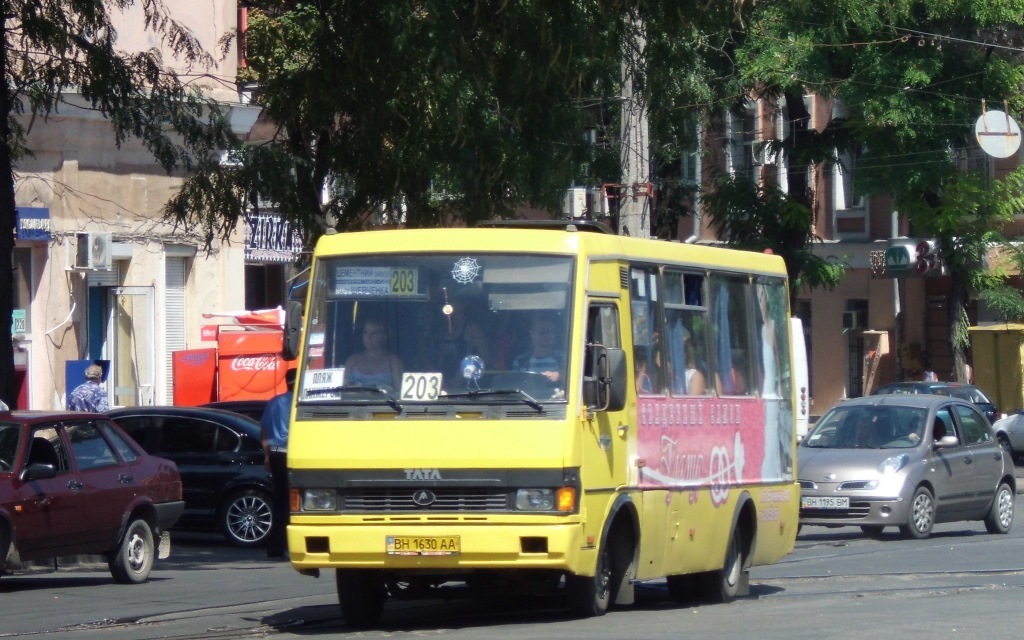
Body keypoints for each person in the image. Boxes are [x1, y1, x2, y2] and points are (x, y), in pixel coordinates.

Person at [260, 368, 295, 558]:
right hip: (292, 454)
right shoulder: (299, 403)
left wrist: (266, 455)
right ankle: (289, 543)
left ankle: (275, 546)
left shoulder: (274, 402)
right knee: (293, 501)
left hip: (275, 454)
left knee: (280, 500)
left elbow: (263, 430)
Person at [344, 318, 403, 390]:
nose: (368, 337)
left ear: (384, 336)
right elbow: (342, 389)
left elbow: (400, 392)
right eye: (366, 332)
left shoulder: (394, 362)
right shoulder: (352, 360)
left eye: (374, 333)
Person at [512, 314, 565, 383]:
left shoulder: (563, 358)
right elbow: (514, 383)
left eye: (551, 331)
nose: (547, 335)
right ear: (532, 333)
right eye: (542, 331)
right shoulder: (520, 361)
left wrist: (559, 376)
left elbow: (576, 378)